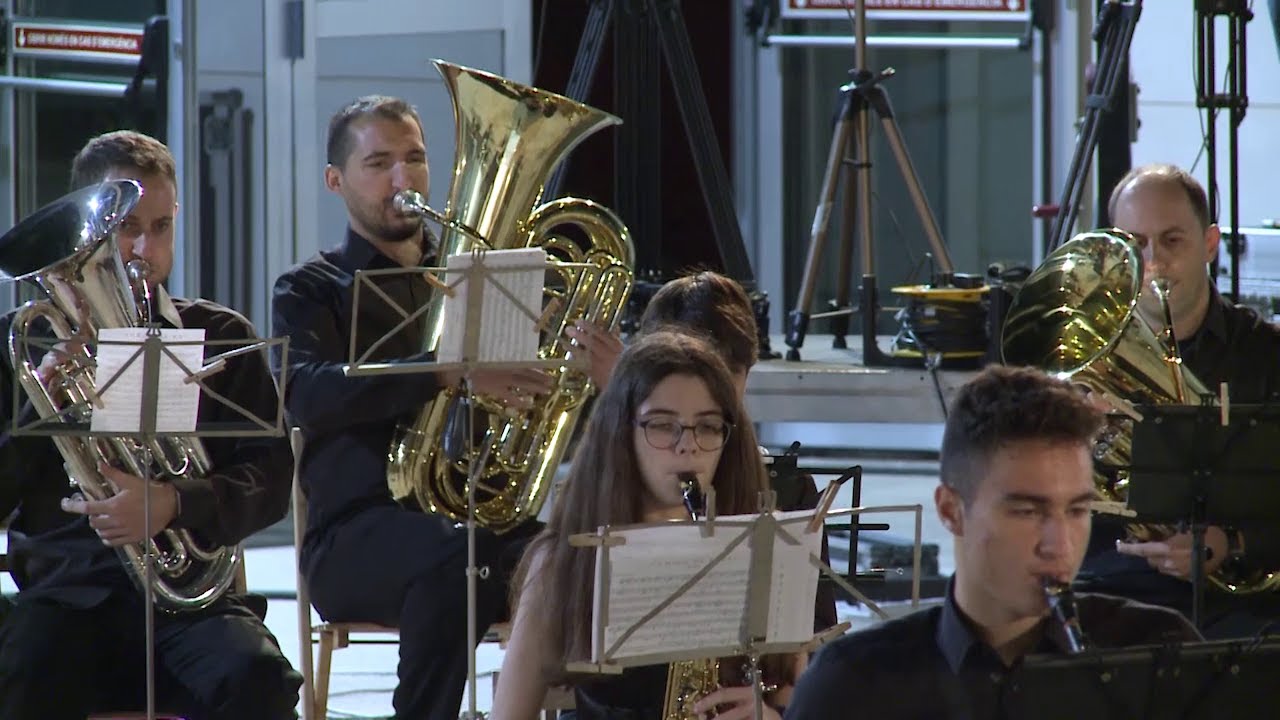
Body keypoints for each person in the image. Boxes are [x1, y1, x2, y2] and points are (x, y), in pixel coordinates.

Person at [270, 95, 554, 720]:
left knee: (575, 555)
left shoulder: (476, 278)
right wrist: (444, 372)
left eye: (416, 159)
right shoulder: (311, 288)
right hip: (353, 535)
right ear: (335, 181)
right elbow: (305, 394)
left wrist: (554, 364)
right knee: (459, 556)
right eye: (379, 163)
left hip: (472, 517)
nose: (403, 180)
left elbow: (531, 412)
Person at [0, 130, 301, 718]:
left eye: (160, 227)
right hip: (69, 599)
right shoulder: (21, 346)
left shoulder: (220, 334)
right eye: (126, 227)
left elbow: (268, 482)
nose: (144, 249)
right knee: (24, 673)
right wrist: (41, 413)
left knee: (258, 678)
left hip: (195, 606)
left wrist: (173, 503)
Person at [783, 365, 1201, 719]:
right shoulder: (850, 686)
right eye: (1026, 511)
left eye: (1076, 511)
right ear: (950, 510)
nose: (1059, 546)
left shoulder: (1159, 650)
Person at [493, 331, 815, 720]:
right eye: (663, 425)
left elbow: (796, 701)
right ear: (620, 434)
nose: (688, 446)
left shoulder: (767, 548)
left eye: (708, 426)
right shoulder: (562, 561)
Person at [568, 269, 838, 631]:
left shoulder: (789, 491)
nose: (709, 398)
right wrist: (622, 398)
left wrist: (782, 689)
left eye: (729, 376)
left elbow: (816, 632)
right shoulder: (607, 484)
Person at [1076, 163, 1280, 639]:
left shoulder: (1268, 355)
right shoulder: (1084, 359)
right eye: (1136, 243)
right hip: (1111, 589)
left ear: (1209, 245)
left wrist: (1230, 542)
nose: (1154, 262)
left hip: (1244, 602)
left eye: (1172, 241)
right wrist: (1068, 435)